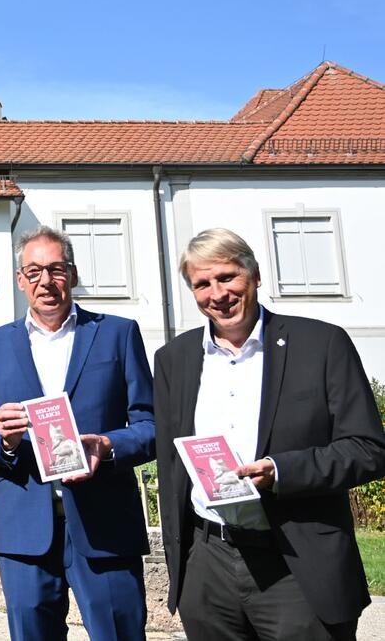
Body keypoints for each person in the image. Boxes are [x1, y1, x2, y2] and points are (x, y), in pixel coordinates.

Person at [154, 228, 385, 640]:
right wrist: (185, 566)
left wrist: (281, 471)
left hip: (295, 560)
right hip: (208, 561)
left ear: (255, 275)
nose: (217, 294)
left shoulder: (322, 344)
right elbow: (172, 463)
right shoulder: (174, 358)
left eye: (227, 277)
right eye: (202, 284)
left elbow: (368, 449)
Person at [0, 225, 155, 640]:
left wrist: (107, 446)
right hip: (25, 531)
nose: (45, 282)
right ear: (20, 280)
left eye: (55, 269)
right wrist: (5, 441)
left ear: (72, 273)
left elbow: (151, 426)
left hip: (104, 525)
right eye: (33, 272)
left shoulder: (117, 334)